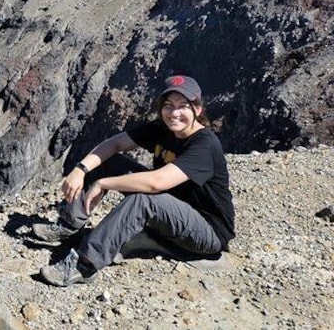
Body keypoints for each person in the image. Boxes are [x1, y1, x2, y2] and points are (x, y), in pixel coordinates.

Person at [34, 75, 235, 287]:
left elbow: (156, 183)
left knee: (143, 200)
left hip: (207, 230)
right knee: (106, 162)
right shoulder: (163, 129)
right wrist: (80, 170)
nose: (174, 113)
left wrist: (103, 183)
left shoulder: (205, 144)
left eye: (183, 106)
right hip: (170, 207)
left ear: (198, 109)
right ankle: (69, 224)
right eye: (168, 106)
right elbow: (114, 144)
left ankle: (85, 265)